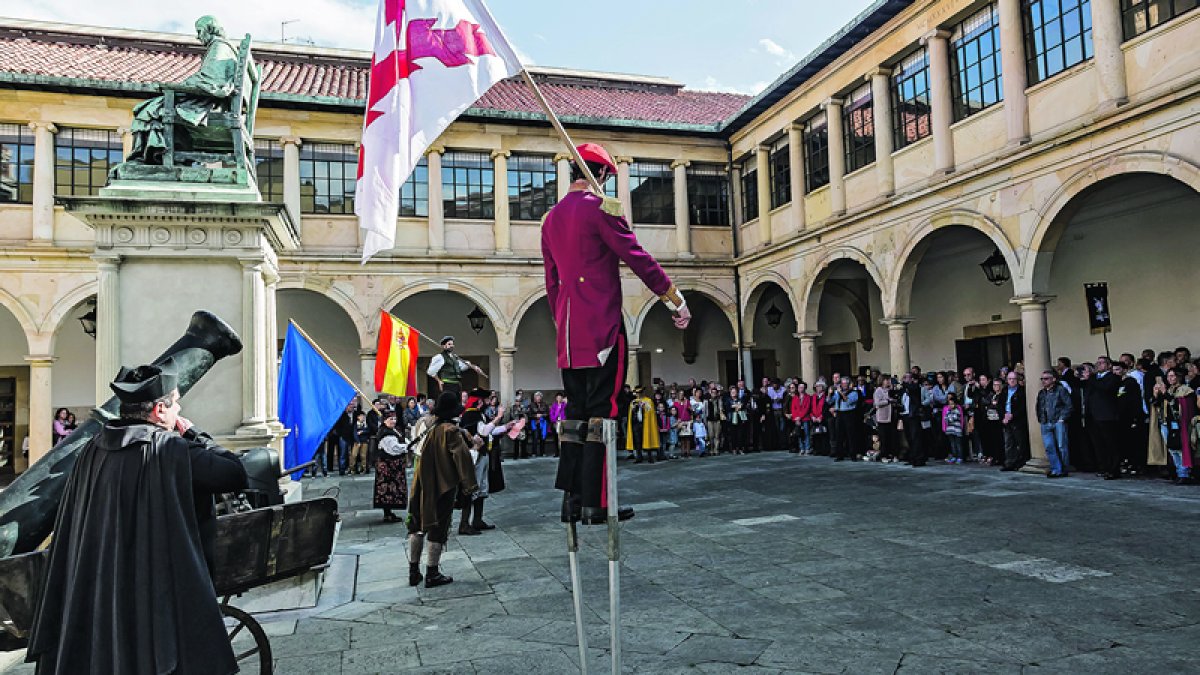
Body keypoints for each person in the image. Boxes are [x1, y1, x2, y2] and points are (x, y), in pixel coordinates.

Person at [27, 359, 248, 675]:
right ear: (160, 411)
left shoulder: (92, 450)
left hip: (102, 584)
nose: (177, 413)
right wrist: (195, 433)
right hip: (154, 585)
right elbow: (234, 472)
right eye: (175, 406)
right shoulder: (170, 449)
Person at [542, 142, 689, 525]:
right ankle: (599, 503)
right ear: (602, 174)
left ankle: (572, 501)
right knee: (603, 416)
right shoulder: (601, 209)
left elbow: (552, 285)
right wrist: (673, 299)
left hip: (569, 336)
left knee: (576, 420)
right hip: (603, 328)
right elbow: (637, 257)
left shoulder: (551, 219)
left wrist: (565, 325)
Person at [126, 16, 239, 165]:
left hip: (207, 105)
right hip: (208, 102)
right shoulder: (223, 48)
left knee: (148, 110)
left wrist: (182, 86)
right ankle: (158, 155)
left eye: (200, 32)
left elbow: (211, 80)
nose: (198, 37)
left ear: (210, 30)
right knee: (150, 108)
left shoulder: (220, 47)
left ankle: (149, 157)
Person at [407, 391, 479, 588]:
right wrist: (469, 485)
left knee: (416, 525)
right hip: (441, 484)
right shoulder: (451, 431)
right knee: (438, 527)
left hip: (419, 481)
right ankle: (432, 572)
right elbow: (462, 459)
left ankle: (414, 571)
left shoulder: (422, 424)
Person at [458, 389, 509, 535]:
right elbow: (484, 431)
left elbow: (490, 430)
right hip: (475, 455)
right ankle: (464, 524)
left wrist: (506, 427)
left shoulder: (479, 414)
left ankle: (477, 520)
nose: (488, 402)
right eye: (486, 400)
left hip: (483, 453)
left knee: (481, 488)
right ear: (479, 401)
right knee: (472, 487)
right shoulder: (471, 414)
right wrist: (498, 417)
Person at [1149, 368, 1195, 484]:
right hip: (1166, 422)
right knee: (1172, 449)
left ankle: (1185, 474)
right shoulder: (1169, 389)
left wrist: (1166, 394)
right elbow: (1157, 405)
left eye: (1172, 376)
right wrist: (1156, 395)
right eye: (1168, 376)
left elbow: (1177, 406)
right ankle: (1179, 472)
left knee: (1180, 448)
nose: (1170, 378)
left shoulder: (1186, 390)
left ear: (1179, 376)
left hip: (1180, 424)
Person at [1085, 355, 1122, 480]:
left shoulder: (1113, 378)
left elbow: (1105, 388)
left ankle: (1114, 469)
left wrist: (1090, 378)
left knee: (1111, 444)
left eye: (1102, 363)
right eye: (1098, 362)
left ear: (1109, 365)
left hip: (1107, 416)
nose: (1099, 365)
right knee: (1098, 444)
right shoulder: (1094, 378)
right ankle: (1103, 467)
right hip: (1093, 415)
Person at [1035, 370, 1073, 478]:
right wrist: (1041, 419)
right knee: (1049, 446)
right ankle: (1056, 469)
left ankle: (1063, 469)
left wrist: (1062, 418)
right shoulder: (1042, 393)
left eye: (1046, 378)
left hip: (1057, 420)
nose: (1043, 381)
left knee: (1061, 446)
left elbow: (1068, 405)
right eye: (1042, 379)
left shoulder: (1060, 390)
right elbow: (1039, 406)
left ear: (1053, 379)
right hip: (1045, 421)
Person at [373, 410, 408, 522]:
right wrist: (407, 447)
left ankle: (388, 512)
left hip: (392, 465)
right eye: (390, 419)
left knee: (391, 489)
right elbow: (393, 449)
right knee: (387, 489)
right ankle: (387, 513)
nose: (393, 421)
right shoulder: (385, 433)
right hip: (388, 466)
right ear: (384, 420)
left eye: (394, 418)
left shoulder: (392, 430)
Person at [1000, 370, 1029, 471]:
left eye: (1014, 379)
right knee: (1008, 443)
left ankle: (1020, 462)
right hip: (1006, 419)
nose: (1012, 381)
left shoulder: (1021, 391)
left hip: (1017, 420)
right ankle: (1009, 462)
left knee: (1020, 442)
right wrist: (1003, 416)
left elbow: (1023, 407)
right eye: (1010, 379)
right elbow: (1000, 405)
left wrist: (1013, 415)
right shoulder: (1004, 391)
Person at [625, 386, 658, 464]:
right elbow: (631, 413)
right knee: (637, 441)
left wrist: (644, 406)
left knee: (647, 439)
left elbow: (650, 411)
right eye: (637, 393)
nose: (638, 395)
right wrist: (634, 408)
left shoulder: (648, 401)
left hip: (645, 423)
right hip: (636, 423)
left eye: (640, 393)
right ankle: (639, 457)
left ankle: (650, 457)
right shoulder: (633, 401)